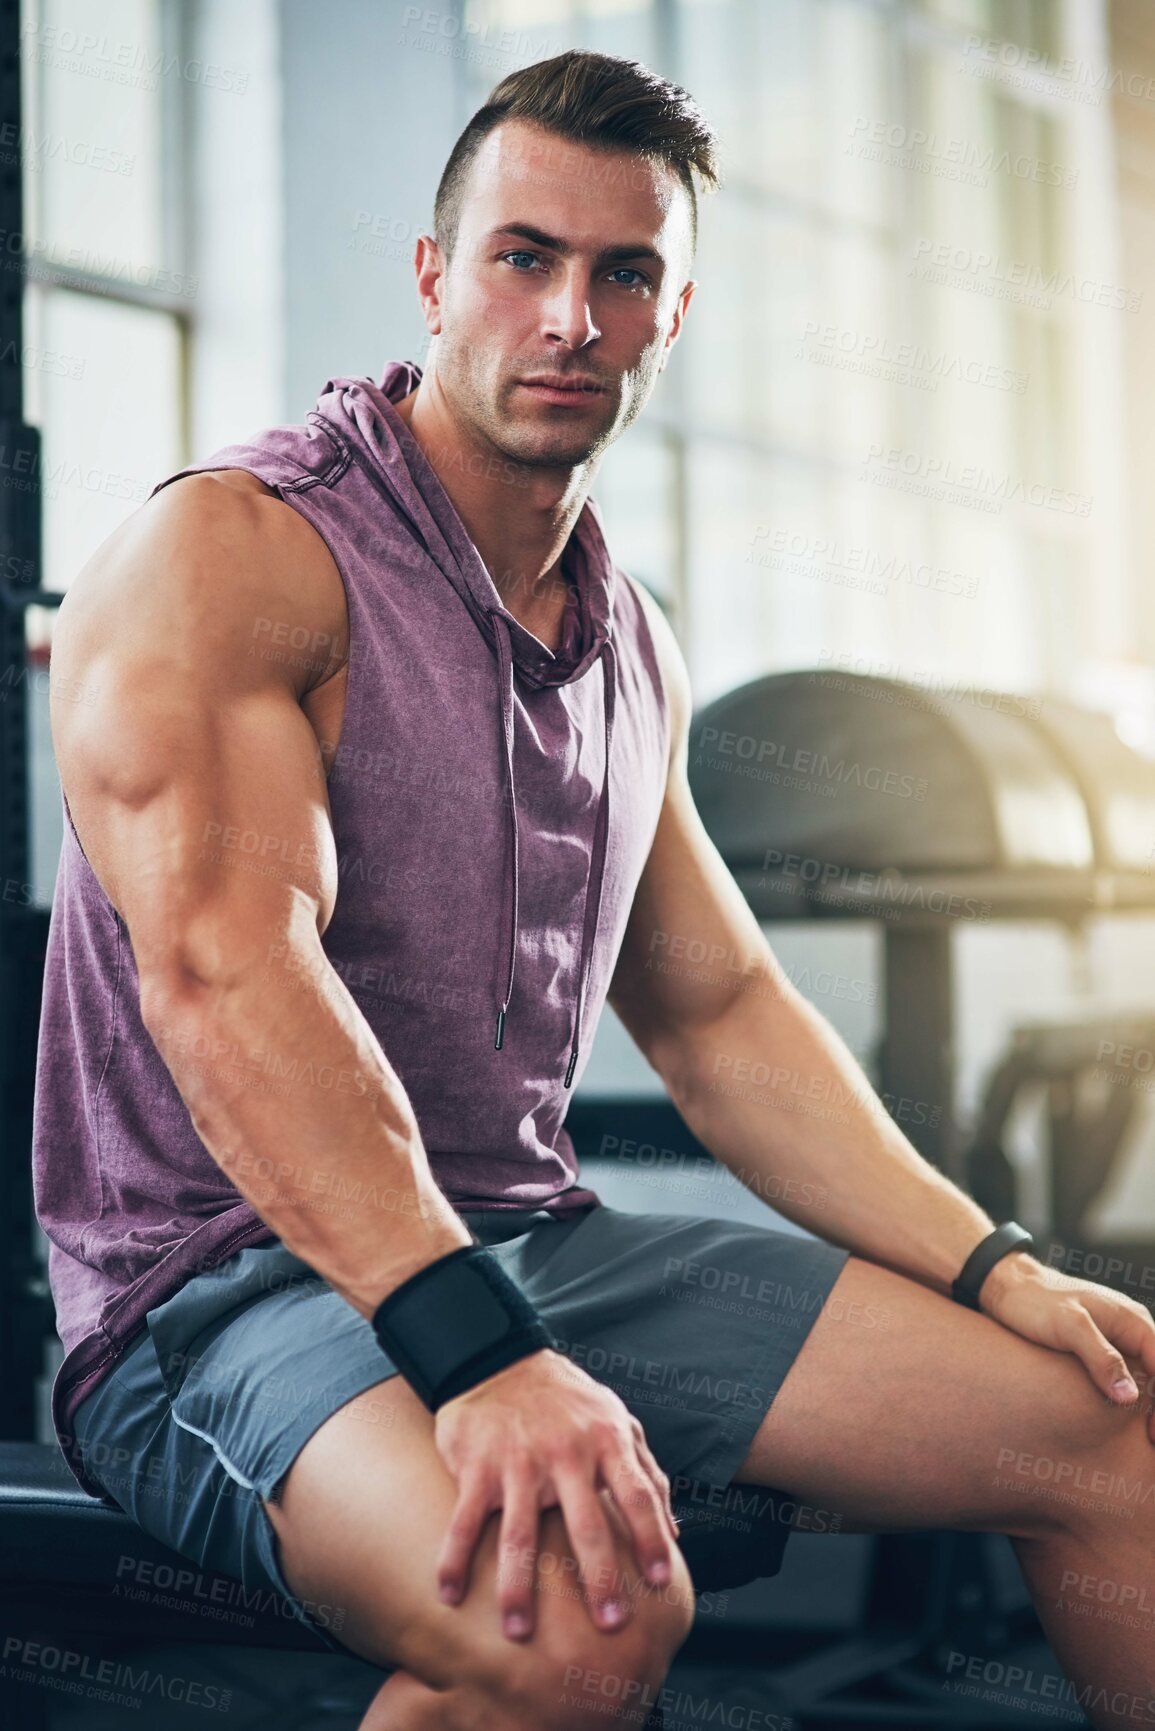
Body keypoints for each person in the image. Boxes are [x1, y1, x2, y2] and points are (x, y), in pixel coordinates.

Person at [32, 46, 1155, 1731]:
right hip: (230, 1291)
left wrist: (995, 1265)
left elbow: (716, 1014)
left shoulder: (627, 638)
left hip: (534, 1245)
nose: (570, 316)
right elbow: (226, 979)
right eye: (523, 258)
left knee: (1113, 1423)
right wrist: (476, 1354)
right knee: (581, 1610)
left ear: (672, 312)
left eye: (623, 273)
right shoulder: (240, 556)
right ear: (434, 278)